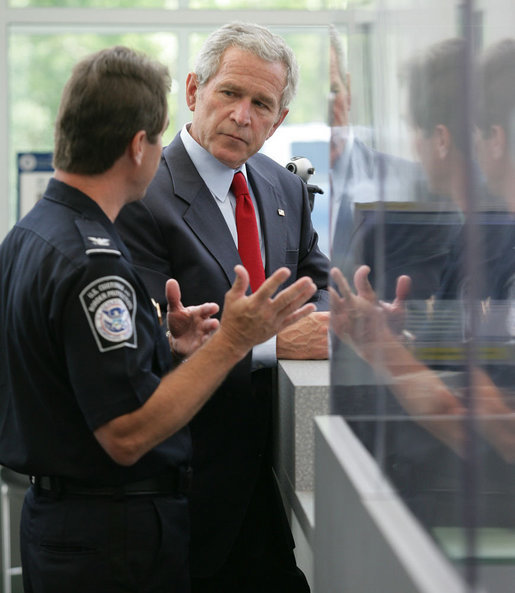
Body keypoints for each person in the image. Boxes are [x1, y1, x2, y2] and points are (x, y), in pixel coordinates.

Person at [0, 45, 319, 593]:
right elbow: (127, 433)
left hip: (92, 524)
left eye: (260, 103)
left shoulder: (31, 233)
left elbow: (81, 369)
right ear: (138, 147)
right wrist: (234, 341)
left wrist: (167, 349)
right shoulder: (93, 262)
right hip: (109, 535)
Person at [115, 21, 329, 593]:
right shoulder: (143, 192)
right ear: (193, 92)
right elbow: (145, 339)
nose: (243, 115)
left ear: (278, 120)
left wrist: (337, 322)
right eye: (229, 93)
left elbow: (318, 282)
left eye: (262, 103)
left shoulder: (281, 187)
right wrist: (273, 343)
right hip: (180, 490)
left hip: (267, 474)